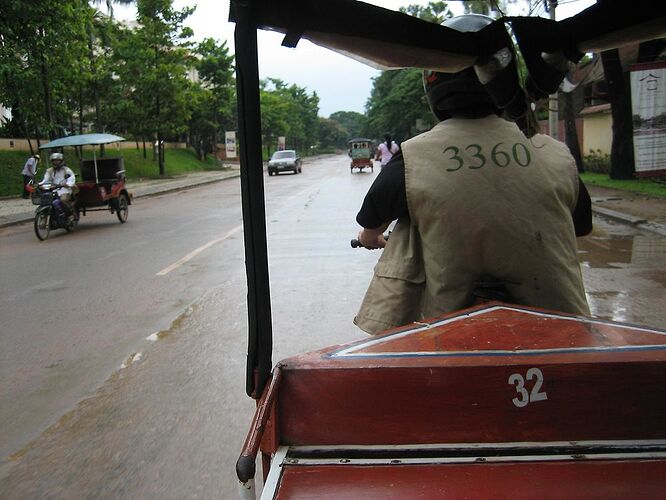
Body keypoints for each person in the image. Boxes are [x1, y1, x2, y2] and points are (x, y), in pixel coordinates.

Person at [354, 14, 592, 335]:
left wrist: (369, 238)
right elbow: (580, 227)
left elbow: (372, 223)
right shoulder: (553, 151)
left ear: (433, 85)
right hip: (562, 326)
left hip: (454, 331)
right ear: (503, 77)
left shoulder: (412, 156)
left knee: (412, 226)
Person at [41, 152, 77, 218]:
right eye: (54, 161)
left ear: (61, 161)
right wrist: (40, 184)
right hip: (53, 190)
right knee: (45, 200)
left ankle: (71, 212)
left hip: (65, 190)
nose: (55, 162)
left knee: (63, 199)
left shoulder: (67, 170)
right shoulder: (49, 171)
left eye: (57, 160)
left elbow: (72, 179)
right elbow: (45, 180)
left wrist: (67, 184)